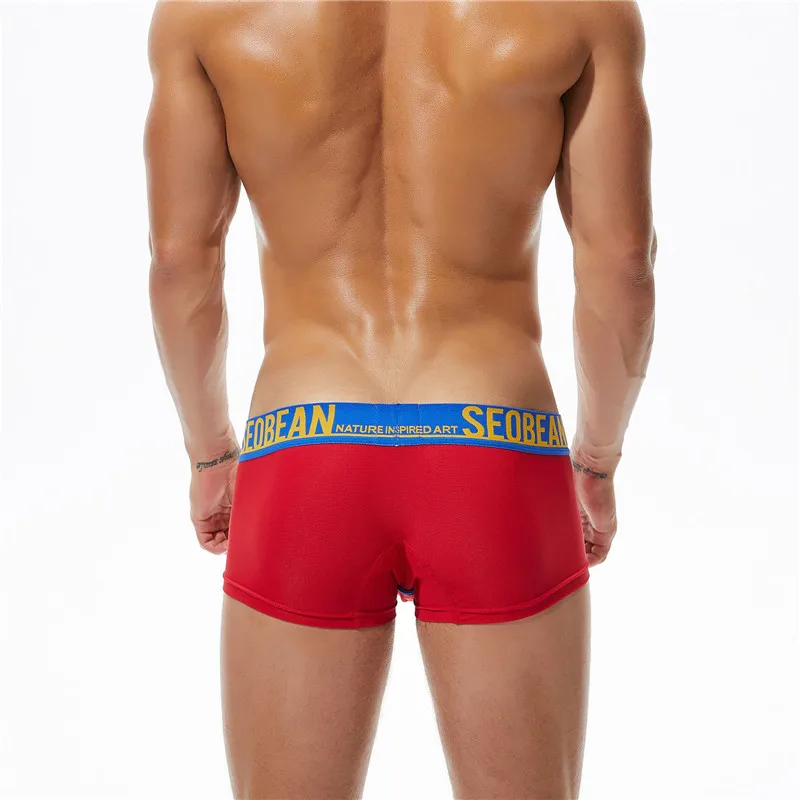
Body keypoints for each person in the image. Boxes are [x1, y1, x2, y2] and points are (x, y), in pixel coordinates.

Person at [145, 1, 656, 797]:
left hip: (305, 436)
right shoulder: (581, 11)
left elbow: (181, 261)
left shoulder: (204, 13)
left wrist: (210, 454)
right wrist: (595, 461)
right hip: (495, 438)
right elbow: (622, 264)